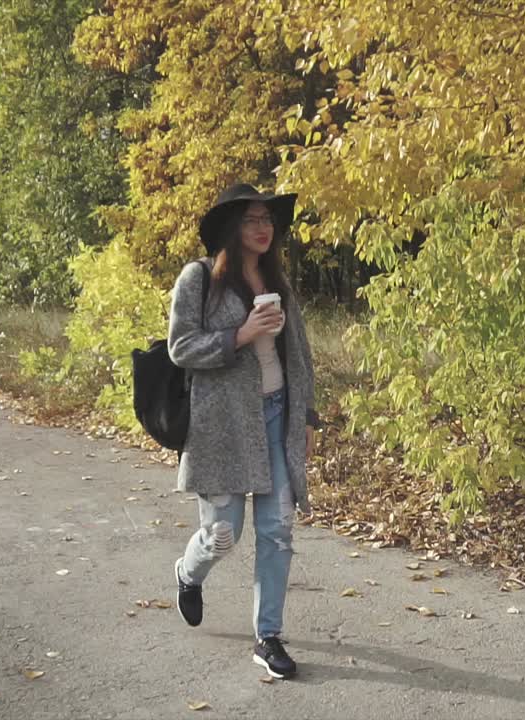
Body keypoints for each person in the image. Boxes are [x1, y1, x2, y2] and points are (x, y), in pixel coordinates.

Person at [167, 183, 321, 679]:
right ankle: (187, 575)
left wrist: (308, 416)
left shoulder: (279, 280)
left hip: (277, 416)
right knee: (222, 534)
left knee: (277, 532)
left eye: (267, 219)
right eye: (252, 219)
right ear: (232, 228)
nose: (262, 227)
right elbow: (181, 347)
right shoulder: (199, 278)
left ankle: (267, 636)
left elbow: (298, 354)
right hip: (224, 426)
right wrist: (241, 335)